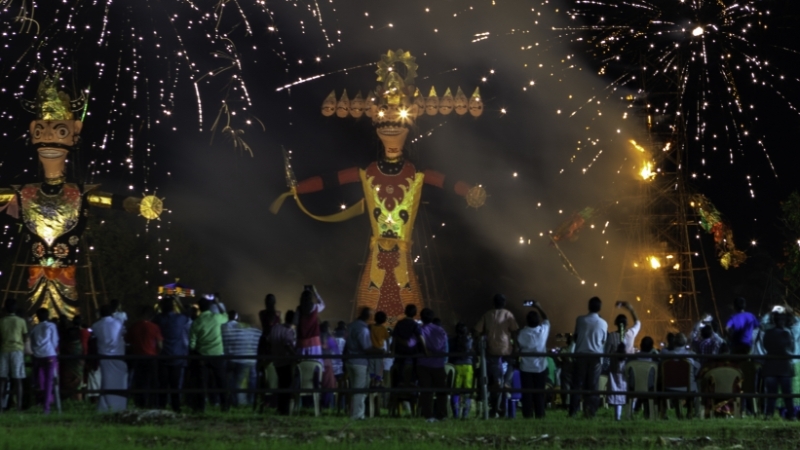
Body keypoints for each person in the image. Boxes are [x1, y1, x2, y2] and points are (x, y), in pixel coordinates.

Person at [474, 294, 520, 417]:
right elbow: (514, 331)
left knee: (494, 385)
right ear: (504, 303)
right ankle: (506, 383)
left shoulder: (487, 314)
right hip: (506, 351)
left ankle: (494, 409)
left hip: (492, 352)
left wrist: (482, 341)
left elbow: (476, 331)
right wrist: (516, 345)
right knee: (511, 365)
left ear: (493, 303)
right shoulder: (508, 314)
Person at [188, 295, 229, 412]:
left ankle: (200, 407)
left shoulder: (196, 322)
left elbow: (192, 343)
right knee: (221, 381)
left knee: (202, 383)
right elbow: (226, 316)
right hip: (217, 354)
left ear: (199, 308)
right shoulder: (216, 318)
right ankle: (225, 406)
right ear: (210, 307)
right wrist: (218, 304)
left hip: (202, 356)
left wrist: (195, 351)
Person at [569, 296, 608, 418]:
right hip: (595, 357)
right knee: (593, 385)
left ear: (588, 306)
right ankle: (590, 411)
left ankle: (573, 412)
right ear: (600, 308)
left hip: (581, 356)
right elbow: (603, 341)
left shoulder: (580, 320)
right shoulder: (603, 323)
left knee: (577, 385)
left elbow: (575, 337)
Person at [152, 296, 192, 412]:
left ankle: (162, 406)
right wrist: (179, 302)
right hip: (177, 355)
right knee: (175, 384)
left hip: (163, 354)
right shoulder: (179, 319)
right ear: (173, 307)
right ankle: (176, 407)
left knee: (163, 384)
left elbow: (152, 318)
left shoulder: (158, 319)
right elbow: (187, 313)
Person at [516, 302, 550, 419]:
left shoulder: (522, 333)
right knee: (539, 393)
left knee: (527, 394)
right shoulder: (543, 331)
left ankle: (527, 415)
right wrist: (538, 306)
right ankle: (540, 414)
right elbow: (546, 318)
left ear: (527, 321)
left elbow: (518, 346)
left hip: (525, 368)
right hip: (540, 367)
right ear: (538, 321)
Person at [221, 310, 262, 406]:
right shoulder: (256, 331)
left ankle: (235, 401)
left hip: (235, 358)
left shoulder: (236, 329)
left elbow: (229, 342)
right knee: (247, 381)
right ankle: (246, 401)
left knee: (234, 381)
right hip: (249, 360)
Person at [127, 305, 163, 409]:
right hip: (151, 357)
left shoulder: (134, 326)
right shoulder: (154, 327)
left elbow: (128, 341)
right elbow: (160, 345)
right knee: (152, 381)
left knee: (139, 382)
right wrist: (157, 353)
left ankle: (140, 403)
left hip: (138, 358)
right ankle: (153, 403)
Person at [93, 304, 127, 412]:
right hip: (118, 355)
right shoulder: (118, 323)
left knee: (106, 381)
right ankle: (119, 405)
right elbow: (123, 333)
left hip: (104, 357)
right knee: (120, 381)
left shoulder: (96, 325)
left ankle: (105, 405)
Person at [416, 308, 448, 422]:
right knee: (441, 391)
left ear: (421, 318)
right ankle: (442, 414)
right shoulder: (441, 331)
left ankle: (428, 415)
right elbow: (443, 346)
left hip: (423, 364)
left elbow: (413, 344)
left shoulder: (419, 330)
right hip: (438, 364)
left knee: (426, 391)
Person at [762, 312, 795, 419]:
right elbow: (789, 350)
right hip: (784, 367)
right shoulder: (786, 333)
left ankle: (769, 415)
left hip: (770, 366)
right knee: (787, 394)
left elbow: (765, 346)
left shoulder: (768, 333)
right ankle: (791, 415)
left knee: (771, 394)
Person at [346, 307, 376, 420]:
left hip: (350, 360)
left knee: (356, 388)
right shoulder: (363, 329)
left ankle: (359, 413)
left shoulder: (351, 326)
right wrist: (378, 351)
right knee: (359, 389)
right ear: (368, 316)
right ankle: (356, 415)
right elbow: (366, 348)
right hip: (360, 362)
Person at [29, 308, 59, 413]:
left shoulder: (34, 328)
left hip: (38, 356)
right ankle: (46, 407)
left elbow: (32, 343)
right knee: (49, 381)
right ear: (48, 315)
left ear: (37, 317)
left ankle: (38, 402)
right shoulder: (51, 326)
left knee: (38, 380)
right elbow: (55, 342)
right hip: (49, 355)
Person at [0, 299, 27, 413]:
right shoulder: (21, 321)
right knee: (18, 380)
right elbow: (25, 337)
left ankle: (1, 407)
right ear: (16, 309)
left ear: (5, 309)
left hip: (4, 350)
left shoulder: (1, 321)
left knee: (2, 380)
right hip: (17, 351)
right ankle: (18, 407)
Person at [269, 310, 297, 415]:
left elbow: (269, 341)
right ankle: (284, 410)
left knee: (281, 385)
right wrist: (295, 355)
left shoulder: (275, 328)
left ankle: (280, 408)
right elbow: (288, 344)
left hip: (276, 361)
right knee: (286, 386)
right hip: (286, 361)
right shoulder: (289, 330)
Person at [603, 301, 640, 371]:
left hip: (614, 370)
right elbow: (637, 322)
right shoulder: (632, 333)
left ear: (616, 323)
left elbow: (606, 353)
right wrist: (629, 307)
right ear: (627, 324)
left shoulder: (611, 336)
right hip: (628, 370)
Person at [60, 315, 88, 401]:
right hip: (78, 367)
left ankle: (68, 401)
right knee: (78, 383)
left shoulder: (65, 346)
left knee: (69, 382)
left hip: (68, 369)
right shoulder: (80, 345)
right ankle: (78, 402)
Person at [449, 322, 474, 419]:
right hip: (468, 367)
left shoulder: (452, 341)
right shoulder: (470, 340)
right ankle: (465, 415)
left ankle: (455, 414)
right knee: (467, 392)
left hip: (456, 367)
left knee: (455, 392)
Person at [295, 286, 326, 362]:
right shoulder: (315, 307)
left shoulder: (299, 309)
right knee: (314, 366)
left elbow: (294, 323)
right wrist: (315, 292)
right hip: (314, 343)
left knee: (302, 368)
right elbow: (322, 304)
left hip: (301, 343)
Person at [319, 321, 342, 409]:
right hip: (326, 363)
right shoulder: (329, 338)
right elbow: (336, 352)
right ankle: (326, 404)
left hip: (314, 362)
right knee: (329, 384)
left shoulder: (316, 337)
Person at [606, 343, 628, 420]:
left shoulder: (613, 357)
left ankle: (617, 417)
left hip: (613, 379)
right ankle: (622, 416)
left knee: (617, 400)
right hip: (623, 380)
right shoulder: (626, 359)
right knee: (621, 399)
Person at [369, 311, 390, 387]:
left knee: (371, 366)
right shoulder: (383, 329)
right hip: (379, 351)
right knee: (379, 367)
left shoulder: (370, 327)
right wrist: (387, 350)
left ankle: (371, 381)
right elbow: (387, 340)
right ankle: (377, 382)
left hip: (371, 350)